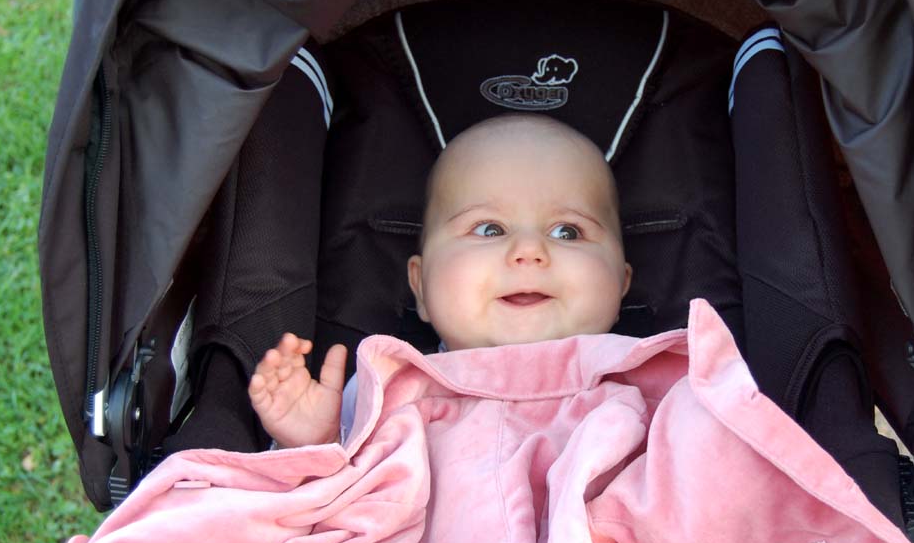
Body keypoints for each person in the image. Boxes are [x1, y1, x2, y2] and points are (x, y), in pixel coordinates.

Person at [248, 113, 632, 449]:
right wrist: (315, 444)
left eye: (567, 232)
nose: (529, 250)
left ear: (622, 282)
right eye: (489, 229)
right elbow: (333, 503)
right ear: (420, 287)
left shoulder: (653, 393)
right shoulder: (383, 395)